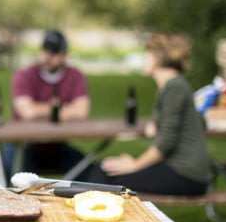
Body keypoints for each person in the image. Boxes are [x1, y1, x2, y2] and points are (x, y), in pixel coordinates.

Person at [85, 32, 214, 195]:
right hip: (181, 170)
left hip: (186, 175)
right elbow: (191, 122)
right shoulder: (172, 86)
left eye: (148, 54)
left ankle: (90, 209)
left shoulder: (174, 87)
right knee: (103, 168)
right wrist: (157, 125)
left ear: (159, 57)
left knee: (104, 175)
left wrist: (135, 164)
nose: (145, 59)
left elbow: (166, 142)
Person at [6, 29, 91, 176]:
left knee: (87, 170)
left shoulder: (74, 75)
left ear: (64, 55)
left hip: (56, 145)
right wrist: (60, 109)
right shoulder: (24, 75)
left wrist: (41, 109)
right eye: (45, 51)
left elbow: (82, 111)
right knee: (15, 176)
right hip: (25, 144)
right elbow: (27, 112)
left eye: (54, 53)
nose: (47, 57)